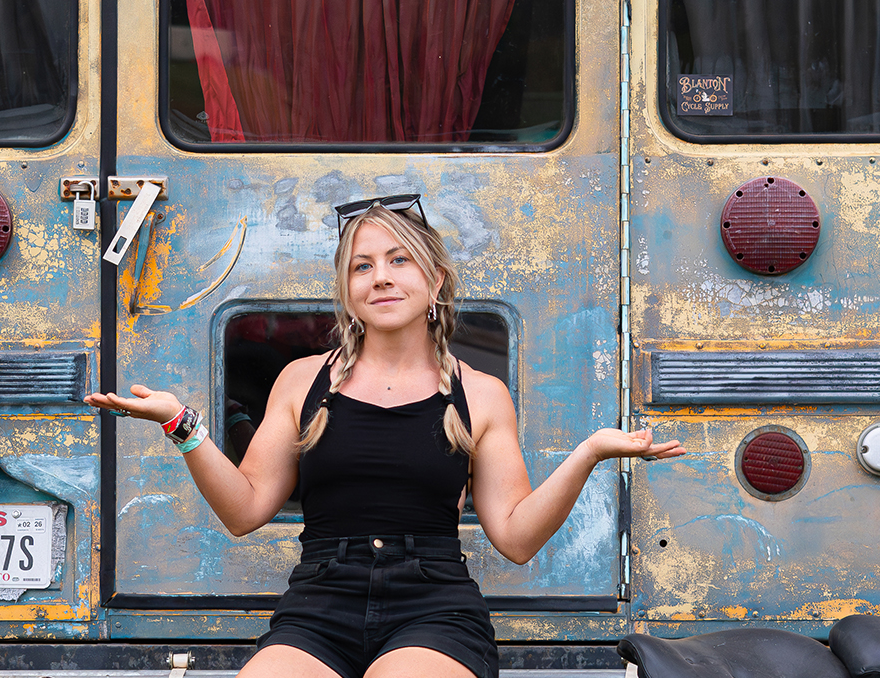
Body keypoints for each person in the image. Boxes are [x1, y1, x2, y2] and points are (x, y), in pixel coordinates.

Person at [85, 194, 685, 678]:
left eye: (400, 261)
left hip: (435, 605)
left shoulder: (477, 393)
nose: (381, 278)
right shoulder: (302, 381)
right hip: (320, 602)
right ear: (347, 290)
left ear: (435, 279)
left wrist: (590, 454)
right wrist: (179, 425)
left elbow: (517, 540)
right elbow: (244, 511)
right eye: (362, 266)